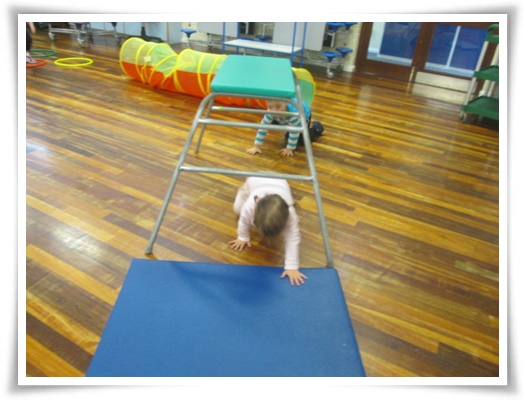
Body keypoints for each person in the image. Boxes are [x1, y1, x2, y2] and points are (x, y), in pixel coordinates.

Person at [229, 177, 307, 286]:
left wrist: (291, 266)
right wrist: (243, 237)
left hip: (280, 182)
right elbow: (243, 221)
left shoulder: (291, 214)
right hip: (255, 180)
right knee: (237, 209)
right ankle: (242, 191)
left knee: (289, 229)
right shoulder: (249, 207)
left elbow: (292, 237)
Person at [246, 99, 311, 158]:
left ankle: (316, 128)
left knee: (301, 141)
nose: (274, 111)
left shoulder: (293, 113)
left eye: (278, 107)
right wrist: (256, 146)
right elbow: (263, 127)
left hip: (303, 116)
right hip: (282, 118)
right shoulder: (270, 112)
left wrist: (289, 148)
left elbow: (294, 132)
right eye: (270, 107)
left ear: (286, 103)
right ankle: (283, 121)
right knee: (269, 122)